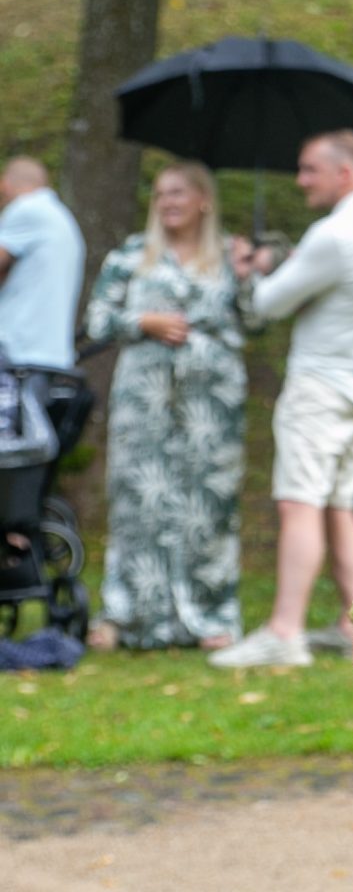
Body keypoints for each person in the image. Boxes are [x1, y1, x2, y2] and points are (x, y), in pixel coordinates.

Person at [212, 130, 353, 668]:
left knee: (298, 503)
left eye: (309, 170)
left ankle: (285, 631)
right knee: (338, 506)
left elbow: (267, 305)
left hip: (321, 388)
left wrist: (247, 270)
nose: (300, 180)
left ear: (343, 173)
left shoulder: (335, 234)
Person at [82, 162, 248, 651]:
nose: (167, 202)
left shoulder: (229, 254)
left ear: (204, 200)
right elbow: (97, 320)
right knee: (138, 501)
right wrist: (144, 321)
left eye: (177, 192)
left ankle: (209, 615)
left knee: (207, 504)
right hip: (144, 402)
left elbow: (256, 319)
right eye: (160, 194)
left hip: (212, 405)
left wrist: (250, 273)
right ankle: (129, 615)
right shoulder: (132, 254)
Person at [0, 157, 85, 372]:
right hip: (51, 354)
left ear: (4, 185)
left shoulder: (26, 208)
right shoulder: (62, 217)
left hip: (18, 350)